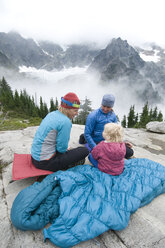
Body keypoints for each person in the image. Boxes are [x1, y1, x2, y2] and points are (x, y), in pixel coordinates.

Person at [31, 92, 89, 172]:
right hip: (45, 162)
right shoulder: (65, 122)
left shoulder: (52, 114)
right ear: (67, 109)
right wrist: (65, 149)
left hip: (35, 157)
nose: (77, 113)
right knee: (84, 151)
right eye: (75, 110)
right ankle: (67, 166)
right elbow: (61, 149)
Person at [79, 94, 133, 158]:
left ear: (112, 106)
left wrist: (123, 142)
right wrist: (95, 148)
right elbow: (87, 134)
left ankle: (84, 138)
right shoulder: (93, 116)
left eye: (108, 107)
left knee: (129, 152)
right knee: (104, 155)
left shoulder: (113, 115)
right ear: (101, 104)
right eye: (104, 106)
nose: (105, 109)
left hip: (109, 141)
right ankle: (85, 139)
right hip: (97, 141)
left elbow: (116, 132)